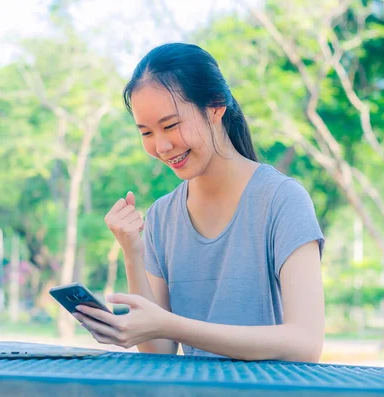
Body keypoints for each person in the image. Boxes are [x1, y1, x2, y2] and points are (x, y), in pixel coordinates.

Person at [72, 43, 325, 362]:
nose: (161, 146)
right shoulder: (162, 216)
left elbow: (305, 343)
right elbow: (159, 351)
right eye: (146, 132)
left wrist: (173, 325)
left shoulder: (282, 200)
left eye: (170, 125)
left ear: (216, 106)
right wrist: (133, 250)